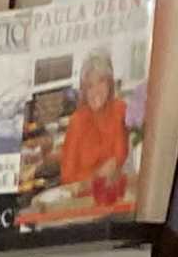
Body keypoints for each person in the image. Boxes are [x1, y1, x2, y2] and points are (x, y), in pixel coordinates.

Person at [46, 51, 136, 219]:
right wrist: (96, 177)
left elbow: (119, 158)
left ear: (109, 84)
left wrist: (107, 174)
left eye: (101, 82)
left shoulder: (120, 110)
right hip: (83, 207)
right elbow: (68, 179)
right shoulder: (77, 121)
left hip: (114, 203)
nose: (96, 91)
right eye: (89, 85)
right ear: (83, 90)